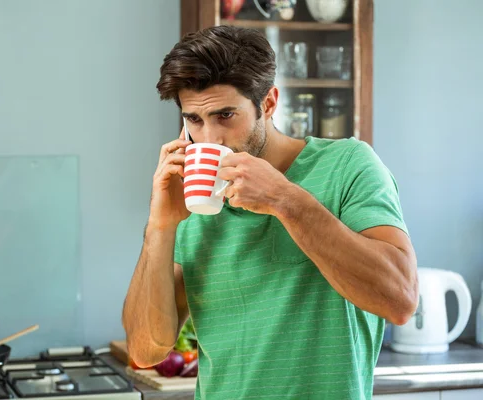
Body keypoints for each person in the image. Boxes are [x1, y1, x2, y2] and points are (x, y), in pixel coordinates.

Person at [122, 25, 418, 400]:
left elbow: (400, 300)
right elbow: (145, 350)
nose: (209, 138)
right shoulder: (192, 202)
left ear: (269, 103)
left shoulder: (350, 165)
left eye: (225, 115)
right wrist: (159, 226)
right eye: (194, 120)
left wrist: (284, 200)